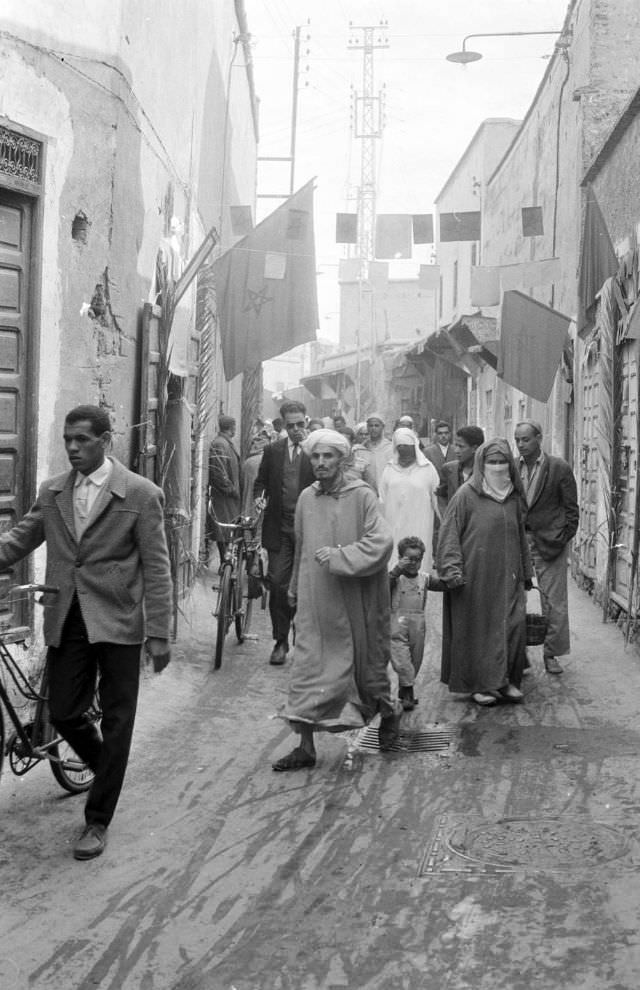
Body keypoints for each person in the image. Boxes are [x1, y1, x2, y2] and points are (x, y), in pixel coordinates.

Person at [0, 405, 172, 859]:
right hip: (67, 616)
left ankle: (97, 821)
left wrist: (159, 632)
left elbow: (156, 566)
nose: (72, 448)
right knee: (65, 711)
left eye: (82, 440)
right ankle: (104, 766)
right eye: (67, 440)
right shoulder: (53, 490)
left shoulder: (139, 493)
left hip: (118, 619)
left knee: (118, 720)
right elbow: (20, 538)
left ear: (105, 440)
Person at [272, 429, 401, 770]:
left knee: (366, 669)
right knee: (307, 669)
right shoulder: (305, 498)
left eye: (327, 456)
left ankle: (390, 712)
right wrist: (295, 587)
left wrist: (342, 556)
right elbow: (301, 546)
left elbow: (382, 540)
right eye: (315, 457)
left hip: (356, 598)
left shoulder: (363, 496)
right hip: (316, 599)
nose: (320, 463)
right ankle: (305, 746)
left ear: (342, 460)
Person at [437, 438, 533, 706]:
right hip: (475, 577)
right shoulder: (466, 495)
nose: (498, 467)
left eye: (503, 462)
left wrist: (526, 570)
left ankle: (506, 682)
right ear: (482, 464)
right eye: (492, 462)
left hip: (509, 575)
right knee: (479, 630)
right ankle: (480, 685)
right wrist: (452, 569)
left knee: (512, 627)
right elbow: (449, 534)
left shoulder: (514, 496)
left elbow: (521, 535)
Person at [514, 419, 579, 675]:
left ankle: (551, 653)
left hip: (549, 544)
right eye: (517, 439)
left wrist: (561, 538)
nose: (520, 444)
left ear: (539, 438)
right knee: (513, 599)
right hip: (519, 542)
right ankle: (517, 656)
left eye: (526, 439)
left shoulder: (558, 467)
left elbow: (572, 510)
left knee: (553, 601)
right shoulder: (511, 467)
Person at [253, 400, 315, 665]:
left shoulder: (317, 451)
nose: (296, 429)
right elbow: (261, 483)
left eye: (300, 424)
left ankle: (303, 639)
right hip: (280, 527)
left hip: (310, 529)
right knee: (278, 583)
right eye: (291, 425)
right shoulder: (273, 450)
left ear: (307, 422)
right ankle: (280, 640)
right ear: (284, 426)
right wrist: (259, 498)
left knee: (307, 586)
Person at [389, 536, 445, 711]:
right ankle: (408, 694)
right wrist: (397, 570)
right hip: (397, 625)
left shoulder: (425, 578)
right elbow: (383, 586)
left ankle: (404, 691)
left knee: (415, 660)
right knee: (402, 659)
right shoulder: (395, 578)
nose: (413, 563)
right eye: (408, 559)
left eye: (417, 559)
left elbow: (442, 585)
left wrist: (454, 580)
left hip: (418, 626)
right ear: (400, 558)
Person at [379, 428, 440, 568]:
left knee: (418, 562)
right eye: (399, 446)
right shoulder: (389, 469)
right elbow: (382, 498)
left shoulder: (427, 469)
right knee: (394, 562)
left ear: (414, 447)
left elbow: (437, 501)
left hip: (420, 524)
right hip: (393, 525)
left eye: (406, 446)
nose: (403, 450)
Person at [208, 415, 241, 568]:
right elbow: (218, 473)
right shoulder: (220, 444)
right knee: (224, 531)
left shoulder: (224, 443)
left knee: (228, 531)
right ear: (232, 427)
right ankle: (225, 564)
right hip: (223, 497)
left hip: (228, 496)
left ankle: (227, 564)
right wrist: (232, 490)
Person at [437, 426, 485, 506]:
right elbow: (441, 498)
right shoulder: (449, 469)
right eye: (456, 445)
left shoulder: (486, 472)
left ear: (475, 448)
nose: (456, 450)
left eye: (461, 447)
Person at [364, 413, 393, 493]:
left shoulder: (390, 447)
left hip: (387, 491)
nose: (373, 428)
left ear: (382, 427)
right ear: (367, 428)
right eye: (371, 426)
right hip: (368, 491)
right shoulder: (362, 448)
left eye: (376, 426)